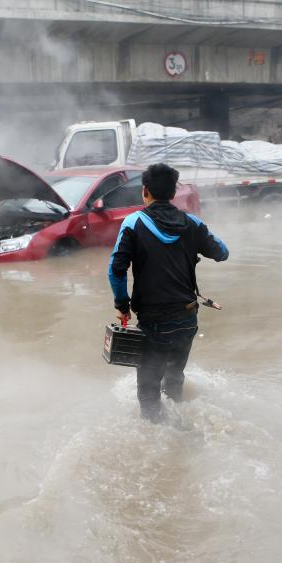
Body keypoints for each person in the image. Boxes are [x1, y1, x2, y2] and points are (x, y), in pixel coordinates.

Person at [108, 163, 229, 422]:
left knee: (148, 390)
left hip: (154, 322)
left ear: (145, 192)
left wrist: (122, 305)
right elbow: (222, 252)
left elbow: (115, 270)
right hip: (187, 319)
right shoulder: (192, 223)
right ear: (173, 194)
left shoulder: (133, 222)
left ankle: (159, 438)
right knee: (174, 378)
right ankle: (180, 423)